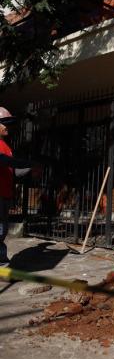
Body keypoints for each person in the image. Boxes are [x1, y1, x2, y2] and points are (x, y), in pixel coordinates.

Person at [0, 107, 40, 266]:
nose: (7, 127)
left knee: (2, 230)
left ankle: (2, 261)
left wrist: (30, 168)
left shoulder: (6, 146)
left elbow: (13, 171)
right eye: (4, 123)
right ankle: (1, 263)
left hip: (4, 194)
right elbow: (5, 162)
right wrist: (30, 163)